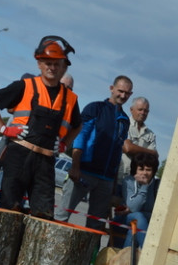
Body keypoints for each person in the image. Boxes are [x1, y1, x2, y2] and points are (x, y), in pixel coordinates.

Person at [0, 36, 80, 217]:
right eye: (47, 63)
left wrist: (65, 143)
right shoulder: (25, 86)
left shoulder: (70, 98)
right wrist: (4, 129)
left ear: (62, 66)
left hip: (46, 161)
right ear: (39, 64)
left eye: (56, 64)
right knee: (9, 210)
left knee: (44, 215)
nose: (52, 68)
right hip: (18, 155)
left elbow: (78, 126)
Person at [57, 75, 133, 232]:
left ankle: (86, 256)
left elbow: (119, 151)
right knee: (62, 215)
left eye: (127, 93)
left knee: (96, 227)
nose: (123, 96)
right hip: (84, 173)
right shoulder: (95, 108)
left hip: (105, 180)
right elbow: (80, 136)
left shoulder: (125, 120)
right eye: (120, 91)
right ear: (111, 89)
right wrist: (75, 166)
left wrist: (113, 182)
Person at [110, 153, 159, 249]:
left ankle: (127, 260)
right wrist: (145, 186)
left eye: (148, 170)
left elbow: (156, 214)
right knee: (138, 217)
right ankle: (147, 252)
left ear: (153, 172)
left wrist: (133, 210)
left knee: (133, 229)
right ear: (135, 170)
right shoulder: (128, 181)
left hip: (140, 225)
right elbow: (134, 207)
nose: (144, 173)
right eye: (141, 169)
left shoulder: (157, 185)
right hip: (122, 220)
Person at [116, 96, 158, 182]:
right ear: (131, 110)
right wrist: (151, 152)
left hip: (138, 181)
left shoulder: (150, 134)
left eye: (146, 111)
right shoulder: (123, 125)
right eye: (140, 109)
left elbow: (152, 158)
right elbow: (127, 148)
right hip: (120, 177)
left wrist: (134, 148)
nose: (143, 112)